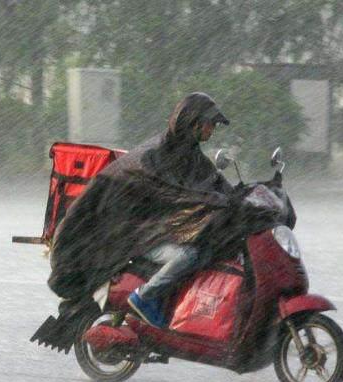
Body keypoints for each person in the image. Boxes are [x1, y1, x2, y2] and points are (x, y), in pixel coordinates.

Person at [47, 92, 232, 328]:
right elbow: (173, 193)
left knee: (210, 251)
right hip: (136, 235)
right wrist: (210, 201)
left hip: (160, 230)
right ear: (193, 123)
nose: (212, 130)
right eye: (210, 124)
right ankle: (144, 297)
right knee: (188, 255)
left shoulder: (191, 156)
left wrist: (245, 197)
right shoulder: (155, 155)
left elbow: (214, 183)